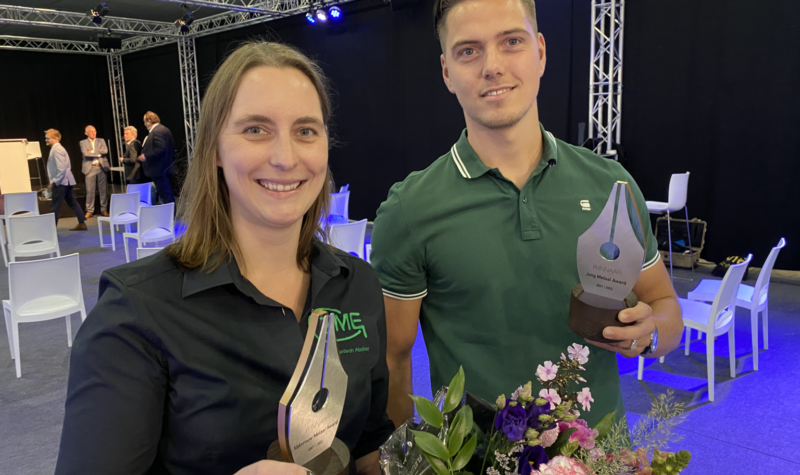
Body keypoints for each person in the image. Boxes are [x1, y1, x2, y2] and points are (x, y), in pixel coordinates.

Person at [55, 42, 393, 475]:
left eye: (306, 130)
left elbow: (368, 441)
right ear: (214, 148)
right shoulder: (137, 310)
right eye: (256, 129)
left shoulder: (358, 284)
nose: (285, 158)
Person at [371, 0, 683, 429]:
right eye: (468, 51)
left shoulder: (611, 185)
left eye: (511, 42)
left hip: (603, 460)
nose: (492, 66)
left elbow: (665, 306)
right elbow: (393, 357)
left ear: (540, 51)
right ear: (447, 72)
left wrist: (647, 336)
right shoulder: (410, 210)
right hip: (476, 463)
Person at [44, 129, 87, 231]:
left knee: (55, 205)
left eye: (48, 138)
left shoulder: (57, 149)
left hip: (61, 182)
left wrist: (56, 182)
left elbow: (61, 168)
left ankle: (51, 229)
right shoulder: (57, 148)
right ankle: (82, 223)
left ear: (56, 139)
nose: (46, 140)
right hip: (66, 181)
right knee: (72, 201)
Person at [138, 111, 175, 204]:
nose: (144, 124)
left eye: (145, 121)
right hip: (163, 169)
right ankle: (169, 215)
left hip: (160, 170)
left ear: (149, 120)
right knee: (165, 194)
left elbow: (161, 148)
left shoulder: (157, 131)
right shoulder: (163, 129)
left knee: (166, 195)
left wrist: (146, 156)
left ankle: (170, 216)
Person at [79, 125, 110, 218]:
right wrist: (98, 153)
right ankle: (89, 210)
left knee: (103, 189)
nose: (94, 133)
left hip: (101, 167)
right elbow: (85, 153)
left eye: (95, 131)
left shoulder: (101, 140)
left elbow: (105, 151)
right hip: (90, 168)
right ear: (86, 133)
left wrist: (92, 151)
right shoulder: (83, 142)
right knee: (90, 190)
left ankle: (104, 209)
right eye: (91, 132)